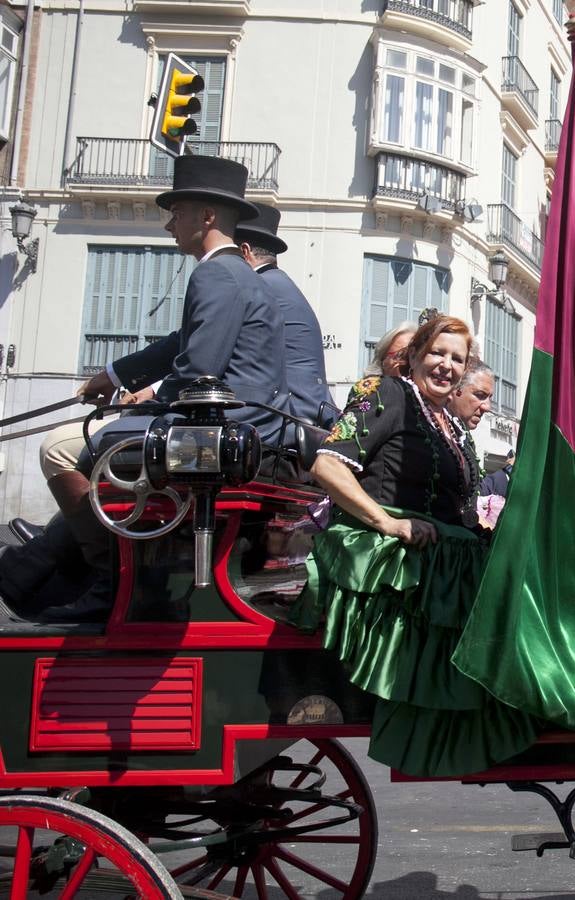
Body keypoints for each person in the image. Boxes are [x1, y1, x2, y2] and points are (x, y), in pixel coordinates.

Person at [0, 156, 288, 622]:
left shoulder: (214, 273)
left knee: (57, 448)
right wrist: (115, 377)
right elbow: (185, 348)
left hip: (215, 427)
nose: (171, 223)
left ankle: (113, 582)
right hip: (241, 422)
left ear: (207, 217)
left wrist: (143, 403)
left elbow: (198, 369)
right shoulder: (238, 273)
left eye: (178, 212)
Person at [292, 315, 530, 775]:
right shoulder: (385, 392)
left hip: (444, 553)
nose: (445, 365)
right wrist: (387, 523)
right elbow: (328, 466)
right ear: (416, 355)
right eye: (437, 353)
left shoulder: (447, 421)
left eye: (457, 359)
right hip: (390, 558)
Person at [237, 203, 332, 425]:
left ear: (244, 252)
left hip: (289, 412)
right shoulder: (280, 283)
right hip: (309, 406)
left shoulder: (258, 286)